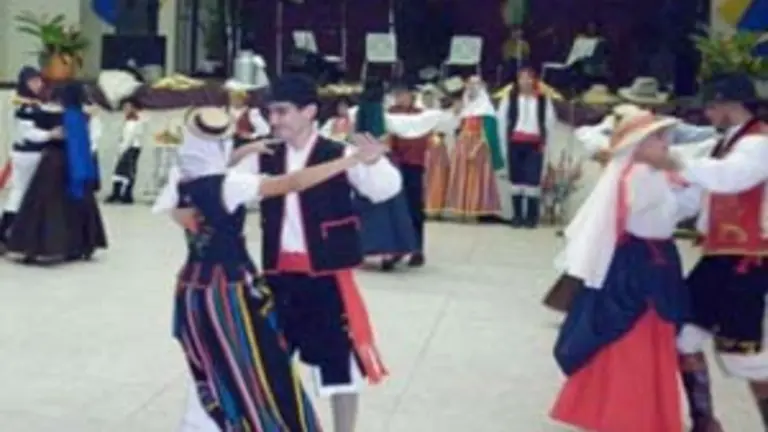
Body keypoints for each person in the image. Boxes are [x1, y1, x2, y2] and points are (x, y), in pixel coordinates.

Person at [159, 106, 389, 431]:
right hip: (228, 291)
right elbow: (293, 182)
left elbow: (184, 210)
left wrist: (245, 152)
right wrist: (349, 160)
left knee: (210, 361)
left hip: (192, 290)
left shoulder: (181, 179)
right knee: (250, 364)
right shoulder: (230, 184)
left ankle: (203, 424)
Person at [636, 73, 768, 431]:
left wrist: (671, 161)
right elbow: (697, 197)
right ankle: (704, 422)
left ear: (728, 104)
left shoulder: (759, 143)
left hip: (748, 259)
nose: (707, 114)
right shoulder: (724, 144)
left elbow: (729, 178)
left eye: (711, 106)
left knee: (744, 357)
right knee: (683, 337)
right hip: (720, 257)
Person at [550, 111, 695, 431]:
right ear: (637, 144)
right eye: (657, 138)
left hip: (648, 262)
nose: (665, 144)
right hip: (643, 268)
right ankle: (631, 415)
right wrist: (681, 172)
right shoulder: (642, 175)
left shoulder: (646, 173)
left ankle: (623, 412)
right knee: (635, 339)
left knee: (633, 338)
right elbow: (668, 211)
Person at [5, 81, 107, 263]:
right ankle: (79, 244)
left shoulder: (46, 114)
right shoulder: (83, 117)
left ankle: (38, 246)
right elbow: (92, 142)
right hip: (76, 163)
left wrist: (49, 135)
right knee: (76, 203)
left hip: (52, 162)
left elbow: (28, 133)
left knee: (45, 203)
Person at [0, 66, 53, 251]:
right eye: (32, 81)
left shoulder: (35, 103)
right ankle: (5, 232)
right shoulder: (25, 106)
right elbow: (28, 133)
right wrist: (51, 135)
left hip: (32, 153)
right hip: (27, 154)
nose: (37, 84)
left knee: (22, 193)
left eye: (39, 80)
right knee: (20, 193)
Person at [497, 65, 557, 228]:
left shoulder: (543, 99)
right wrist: (503, 142)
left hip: (535, 143)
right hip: (515, 142)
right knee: (516, 179)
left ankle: (531, 216)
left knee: (532, 179)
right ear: (518, 80)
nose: (526, 81)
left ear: (534, 80)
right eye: (522, 78)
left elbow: (549, 122)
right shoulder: (510, 97)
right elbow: (502, 120)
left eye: (529, 78)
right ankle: (517, 215)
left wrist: (547, 143)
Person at [444, 76, 504, 221]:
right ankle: (462, 209)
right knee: (462, 177)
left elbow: (488, 134)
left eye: (475, 84)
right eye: (469, 84)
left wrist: (477, 148)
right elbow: (457, 127)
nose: (471, 87)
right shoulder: (465, 107)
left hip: (479, 147)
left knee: (476, 179)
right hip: (463, 146)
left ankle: (475, 210)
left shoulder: (486, 109)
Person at [387, 81, 431, 267]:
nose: (400, 98)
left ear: (411, 95)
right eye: (397, 95)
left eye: (403, 94)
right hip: (393, 166)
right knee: (394, 208)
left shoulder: (420, 115)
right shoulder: (390, 113)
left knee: (414, 208)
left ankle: (417, 249)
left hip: (413, 165)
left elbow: (422, 140)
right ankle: (396, 248)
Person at [106, 97, 146, 204]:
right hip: (132, 148)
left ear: (134, 108)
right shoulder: (134, 120)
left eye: (128, 107)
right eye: (124, 107)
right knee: (125, 172)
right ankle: (121, 194)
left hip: (129, 148)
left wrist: (121, 150)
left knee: (124, 172)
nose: (125, 109)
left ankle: (123, 195)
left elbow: (129, 138)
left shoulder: (133, 121)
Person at [224, 79, 271, 149]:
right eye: (228, 93)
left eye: (232, 94)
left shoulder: (252, 112)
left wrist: (252, 135)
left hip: (241, 145)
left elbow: (265, 131)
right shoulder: (224, 109)